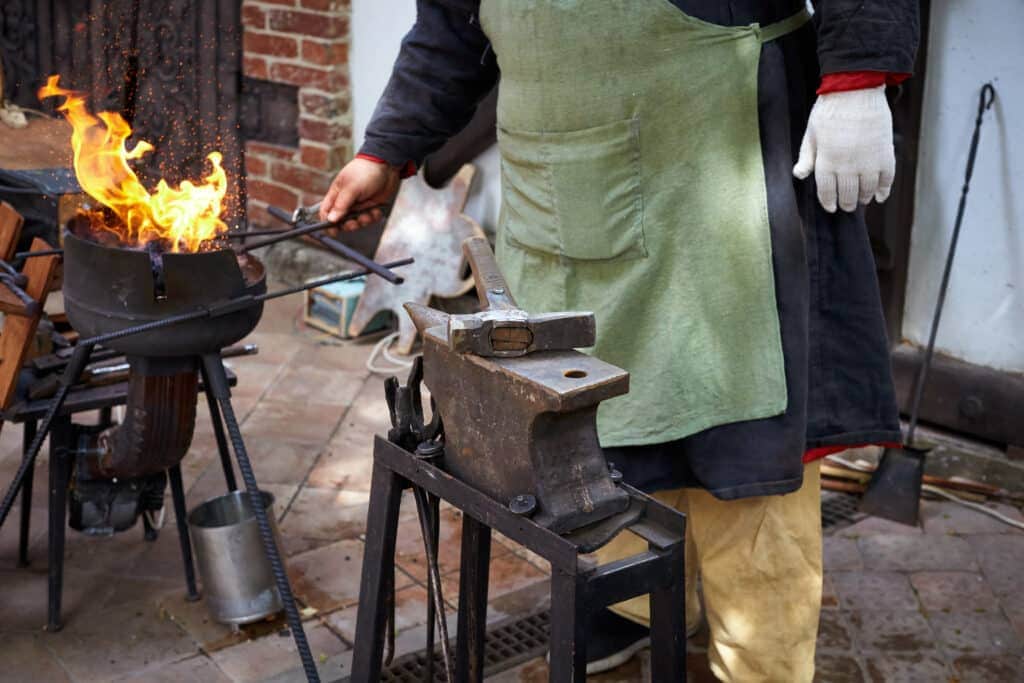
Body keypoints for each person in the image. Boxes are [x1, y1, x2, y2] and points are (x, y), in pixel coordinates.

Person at [319, 1, 919, 680]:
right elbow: (450, 27)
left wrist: (859, 76)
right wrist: (386, 147)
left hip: (716, 167)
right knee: (600, 429)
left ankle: (760, 659)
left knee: (741, 441)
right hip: (560, 196)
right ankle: (633, 606)